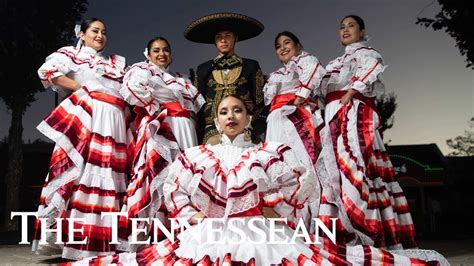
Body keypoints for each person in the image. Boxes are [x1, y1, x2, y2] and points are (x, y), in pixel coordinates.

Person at [70, 95, 448, 265]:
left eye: (238, 110)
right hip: (209, 232)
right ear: (215, 121)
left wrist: (270, 209)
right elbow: (174, 190)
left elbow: (301, 185)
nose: (230, 116)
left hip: (259, 229)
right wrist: (194, 217)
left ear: (249, 118)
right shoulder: (199, 155)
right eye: (224, 111)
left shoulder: (267, 153)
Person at [33, 18, 132, 260]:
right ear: (82, 34)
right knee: (85, 172)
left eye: (104, 32)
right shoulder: (72, 55)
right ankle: (79, 241)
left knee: (112, 175)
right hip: (90, 118)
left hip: (116, 122)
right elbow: (48, 72)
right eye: (95, 31)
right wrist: (83, 89)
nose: (100, 35)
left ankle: (105, 238)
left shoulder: (115, 63)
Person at [322, 14, 417, 249]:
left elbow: (370, 70)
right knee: (335, 173)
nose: (345, 30)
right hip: (334, 115)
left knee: (355, 168)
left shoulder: (366, 53)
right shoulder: (335, 62)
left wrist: (351, 92)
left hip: (353, 115)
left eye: (351, 26)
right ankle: (345, 233)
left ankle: (366, 232)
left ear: (362, 32)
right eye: (341, 26)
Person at [264, 31, 358, 241]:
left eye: (287, 42)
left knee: (304, 166)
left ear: (298, 45)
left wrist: (301, 96)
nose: (282, 48)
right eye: (278, 45)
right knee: (280, 168)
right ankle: (286, 222)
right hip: (277, 121)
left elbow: (313, 75)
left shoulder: (306, 61)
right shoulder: (277, 74)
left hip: (297, 118)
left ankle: (312, 223)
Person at [116, 36, 205, 250]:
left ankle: (181, 232)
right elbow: (133, 90)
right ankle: (156, 234)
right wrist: (155, 107)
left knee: (184, 178)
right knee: (159, 175)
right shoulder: (143, 71)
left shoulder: (180, 78)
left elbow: (192, 104)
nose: (161, 54)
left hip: (184, 128)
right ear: (148, 53)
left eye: (166, 50)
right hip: (163, 127)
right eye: (156, 50)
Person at [184, 12, 267, 144]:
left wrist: (251, 126)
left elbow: (260, 101)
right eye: (219, 37)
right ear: (215, 41)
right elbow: (198, 104)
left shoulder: (251, 65)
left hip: (246, 127)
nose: (223, 40)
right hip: (213, 129)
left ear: (236, 38)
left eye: (228, 35)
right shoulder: (203, 69)